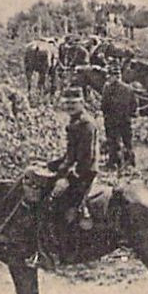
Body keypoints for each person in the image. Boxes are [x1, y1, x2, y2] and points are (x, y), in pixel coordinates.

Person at [37, 87, 97, 266]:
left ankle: (69, 250)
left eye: (73, 103)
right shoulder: (75, 122)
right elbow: (70, 155)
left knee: (60, 205)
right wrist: (49, 165)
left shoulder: (86, 124)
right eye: (67, 103)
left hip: (85, 173)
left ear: (82, 103)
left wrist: (68, 177)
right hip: (77, 170)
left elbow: (85, 157)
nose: (70, 106)